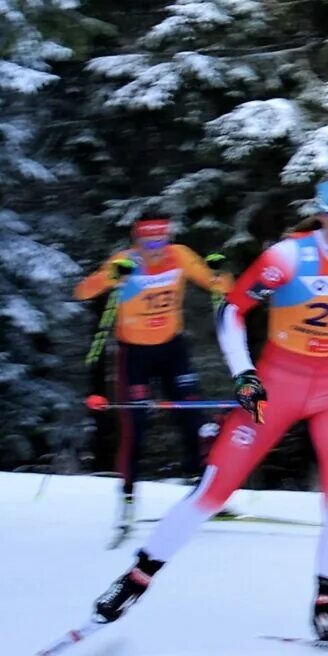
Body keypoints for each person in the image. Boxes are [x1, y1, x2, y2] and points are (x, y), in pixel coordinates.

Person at [87, 177, 328, 642]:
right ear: (322, 213)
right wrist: (243, 373)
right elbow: (231, 312)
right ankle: (134, 580)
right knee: (213, 491)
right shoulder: (288, 257)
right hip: (279, 383)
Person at [73, 213, 231, 530]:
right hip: (134, 356)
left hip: (173, 350)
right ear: (137, 240)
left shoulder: (180, 255)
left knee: (194, 418)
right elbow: (83, 292)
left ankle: (204, 490)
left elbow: (221, 286)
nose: (157, 248)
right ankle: (129, 498)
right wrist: (110, 277)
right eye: (149, 242)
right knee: (137, 426)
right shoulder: (125, 260)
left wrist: (220, 271)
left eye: (162, 240)